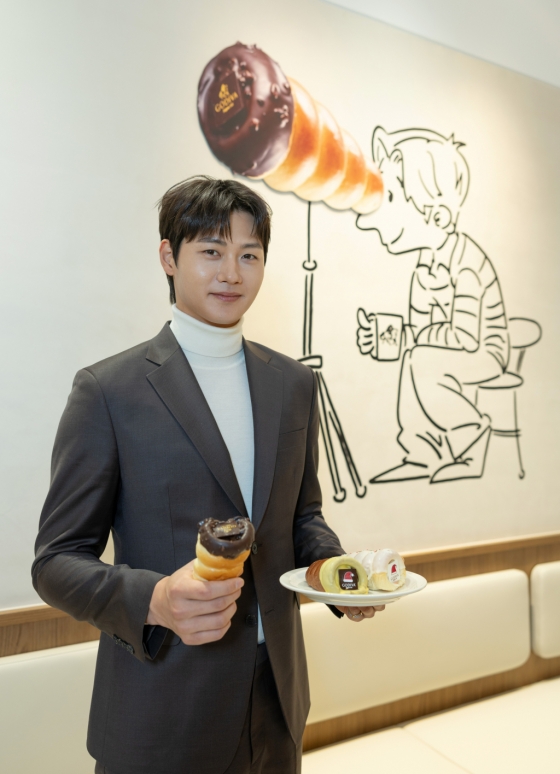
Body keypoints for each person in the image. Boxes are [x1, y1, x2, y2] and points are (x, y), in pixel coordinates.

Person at [32, 176, 383, 774]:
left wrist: (334, 573)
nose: (231, 273)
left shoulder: (294, 384)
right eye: (212, 251)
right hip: (164, 705)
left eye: (249, 255)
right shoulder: (108, 391)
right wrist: (155, 600)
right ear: (169, 257)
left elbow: (302, 515)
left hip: (276, 700)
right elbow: (56, 562)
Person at [356, 128, 510, 483]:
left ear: (437, 216)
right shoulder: (425, 267)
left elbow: (466, 338)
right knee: (416, 358)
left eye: (392, 197)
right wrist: (389, 336)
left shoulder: (466, 265)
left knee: (423, 360)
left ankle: (471, 436)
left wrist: (414, 338)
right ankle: (422, 450)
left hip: (487, 350)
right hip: (455, 346)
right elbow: (420, 331)